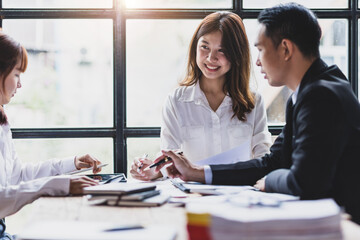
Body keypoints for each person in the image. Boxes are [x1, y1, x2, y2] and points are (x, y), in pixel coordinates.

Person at [153, 3, 360, 224]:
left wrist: (269, 181)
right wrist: (196, 172)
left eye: (261, 49)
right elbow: (273, 162)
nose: (257, 61)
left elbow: (304, 182)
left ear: (286, 49)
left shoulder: (320, 95)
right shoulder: (307, 92)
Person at [130, 11, 272, 181]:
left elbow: (263, 159)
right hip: (192, 194)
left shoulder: (253, 102)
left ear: (236, 55)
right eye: (205, 47)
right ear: (195, 47)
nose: (211, 58)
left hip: (242, 194)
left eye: (222, 50)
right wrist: (154, 170)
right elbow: (170, 158)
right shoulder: (176, 101)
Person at [0, 32, 101, 239]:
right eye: (17, 74)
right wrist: (57, 186)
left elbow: (17, 176)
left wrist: (71, 164)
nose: (20, 84)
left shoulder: (2, 123)